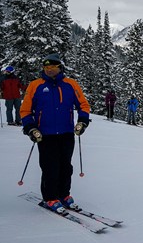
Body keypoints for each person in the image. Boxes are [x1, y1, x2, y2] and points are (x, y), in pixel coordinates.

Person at [20, 54, 90, 213]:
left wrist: (82, 121)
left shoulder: (70, 84)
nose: (49, 70)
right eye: (46, 67)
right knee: (50, 167)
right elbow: (25, 110)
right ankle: (50, 197)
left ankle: (64, 195)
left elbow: (83, 105)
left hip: (66, 133)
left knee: (66, 166)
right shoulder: (35, 85)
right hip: (45, 134)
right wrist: (30, 127)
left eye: (53, 67)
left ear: (60, 67)